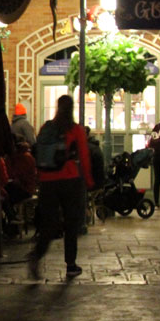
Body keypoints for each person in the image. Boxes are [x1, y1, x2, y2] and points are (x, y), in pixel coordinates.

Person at [28, 95, 94, 279]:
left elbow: (38, 153)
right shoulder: (75, 130)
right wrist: (88, 181)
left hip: (47, 181)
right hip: (70, 180)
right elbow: (84, 158)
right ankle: (71, 265)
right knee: (71, 224)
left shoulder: (46, 127)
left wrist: (39, 178)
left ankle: (36, 255)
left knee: (48, 224)